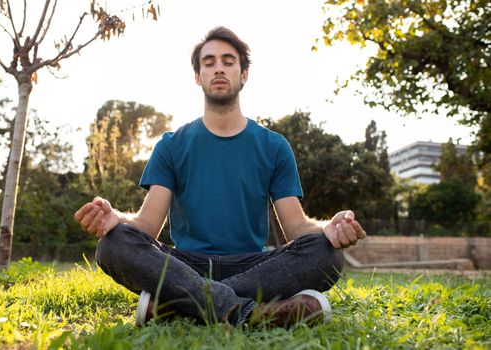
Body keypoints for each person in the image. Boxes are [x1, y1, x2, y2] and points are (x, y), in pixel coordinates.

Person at [74, 27, 366, 327]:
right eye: (209, 62)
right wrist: (114, 220)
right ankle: (248, 313)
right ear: (198, 76)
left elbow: (296, 227)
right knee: (112, 245)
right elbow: (147, 225)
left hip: (255, 264)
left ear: (244, 74)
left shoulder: (274, 146)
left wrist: (329, 228)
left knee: (326, 253)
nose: (219, 68)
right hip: (185, 264)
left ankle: (177, 305)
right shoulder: (171, 145)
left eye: (228, 61)